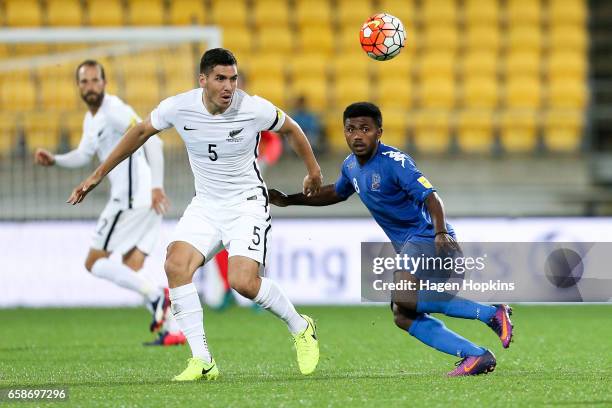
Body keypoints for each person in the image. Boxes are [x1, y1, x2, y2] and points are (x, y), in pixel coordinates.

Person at [66, 49, 322, 381]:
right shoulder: (179, 107)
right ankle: (203, 360)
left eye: (233, 78)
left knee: (243, 282)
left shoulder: (252, 107)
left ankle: (301, 327)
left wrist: (313, 172)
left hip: (246, 203)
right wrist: (98, 174)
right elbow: (141, 131)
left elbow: (292, 129)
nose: (229, 86)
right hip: (206, 205)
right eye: (220, 79)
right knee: (175, 263)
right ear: (203, 80)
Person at [268, 102, 514, 377]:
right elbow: (336, 193)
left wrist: (441, 231)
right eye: (351, 129)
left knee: (401, 295)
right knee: (402, 314)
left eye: (365, 129)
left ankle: (492, 313)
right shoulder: (350, 166)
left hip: (429, 237)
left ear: (379, 132)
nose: (357, 135)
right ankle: (475, 355)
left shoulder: (395, 163)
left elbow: (431, 197)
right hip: (414, 245)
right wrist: (290, 200)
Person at [34, 60, 185, 346]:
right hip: (139, 197)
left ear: (104, 83)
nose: (90, 86)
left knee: (94, 262)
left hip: (132, 197)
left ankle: (156, 297)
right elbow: (83, 154)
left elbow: (153, 141)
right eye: (84, 82)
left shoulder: (115, 111)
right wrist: (55, 160)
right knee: (132, 265)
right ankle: (173, 329)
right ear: (78, 86)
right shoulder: (92, 118)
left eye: (94, 80)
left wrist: (156, 186)